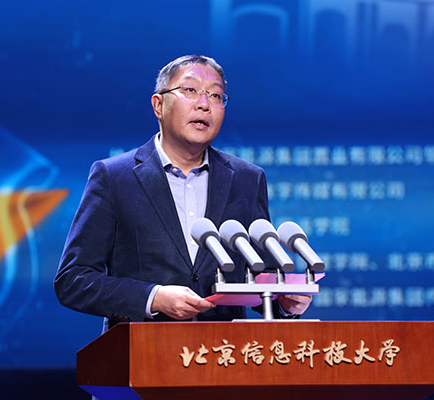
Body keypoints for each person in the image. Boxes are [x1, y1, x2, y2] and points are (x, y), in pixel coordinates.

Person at [54, 55, 311, 330]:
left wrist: (285, 303)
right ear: (159, 105)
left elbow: (261, 277)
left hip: (224, 349)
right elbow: (73, 279)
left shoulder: (247, 179)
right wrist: (153, 298)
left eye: (215, 95)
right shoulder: (114, 177)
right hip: (143, 348)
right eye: (190, 90)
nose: (204, 104)